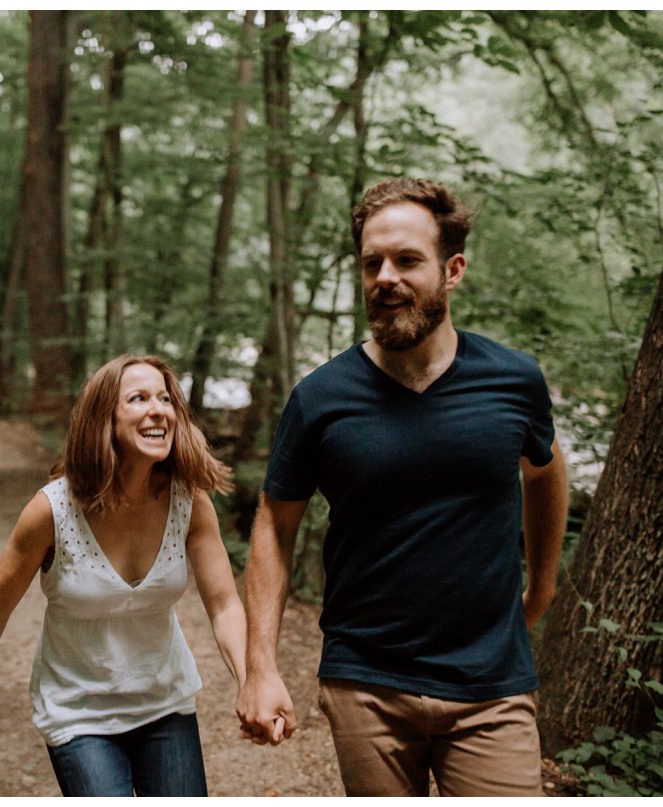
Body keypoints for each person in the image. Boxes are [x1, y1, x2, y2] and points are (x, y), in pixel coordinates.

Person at [235, 178, 569, 796]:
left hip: (492, 685)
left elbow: (544, 472)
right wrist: (260, 668)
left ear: (453, 270)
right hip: (367, 682)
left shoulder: (514, 380)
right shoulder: (321, 398)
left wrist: (542, 584)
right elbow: (274, 525)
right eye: (372, 263)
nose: (385, 277)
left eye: (408, 260)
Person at [0, 355, 245, 797]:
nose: (159, 410)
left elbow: (225, 604)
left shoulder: (188, 502)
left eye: (164, 398)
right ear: (104, 419)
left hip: (165, 704)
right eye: (138, 398)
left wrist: (251, 682)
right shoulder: (52, 510)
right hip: (77, 712)